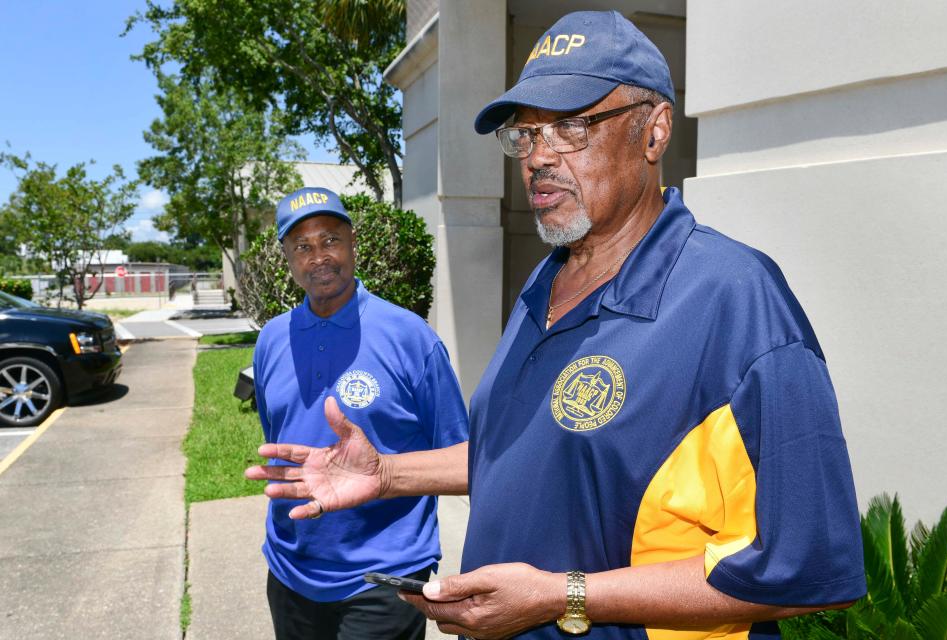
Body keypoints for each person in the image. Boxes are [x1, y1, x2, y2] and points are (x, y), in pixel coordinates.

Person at [247, 12, 866, 639]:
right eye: (525, 135)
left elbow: (805, 568)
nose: (538, 156)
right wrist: (386, 476)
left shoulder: (735, 300)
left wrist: (559, 598)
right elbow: (522, 455)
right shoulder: (544, 284)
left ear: (653, 133)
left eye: (571, 126)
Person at [251, 186, 469, 640]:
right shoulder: (272, 340)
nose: (318, 257)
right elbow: (280, 434)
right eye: (302, 247)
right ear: (288, 259)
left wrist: (383, 474)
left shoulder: (410, 338)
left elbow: (465, 460)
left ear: (353, 242)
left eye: (330, 239)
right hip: (291, 570)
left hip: (384, 576)